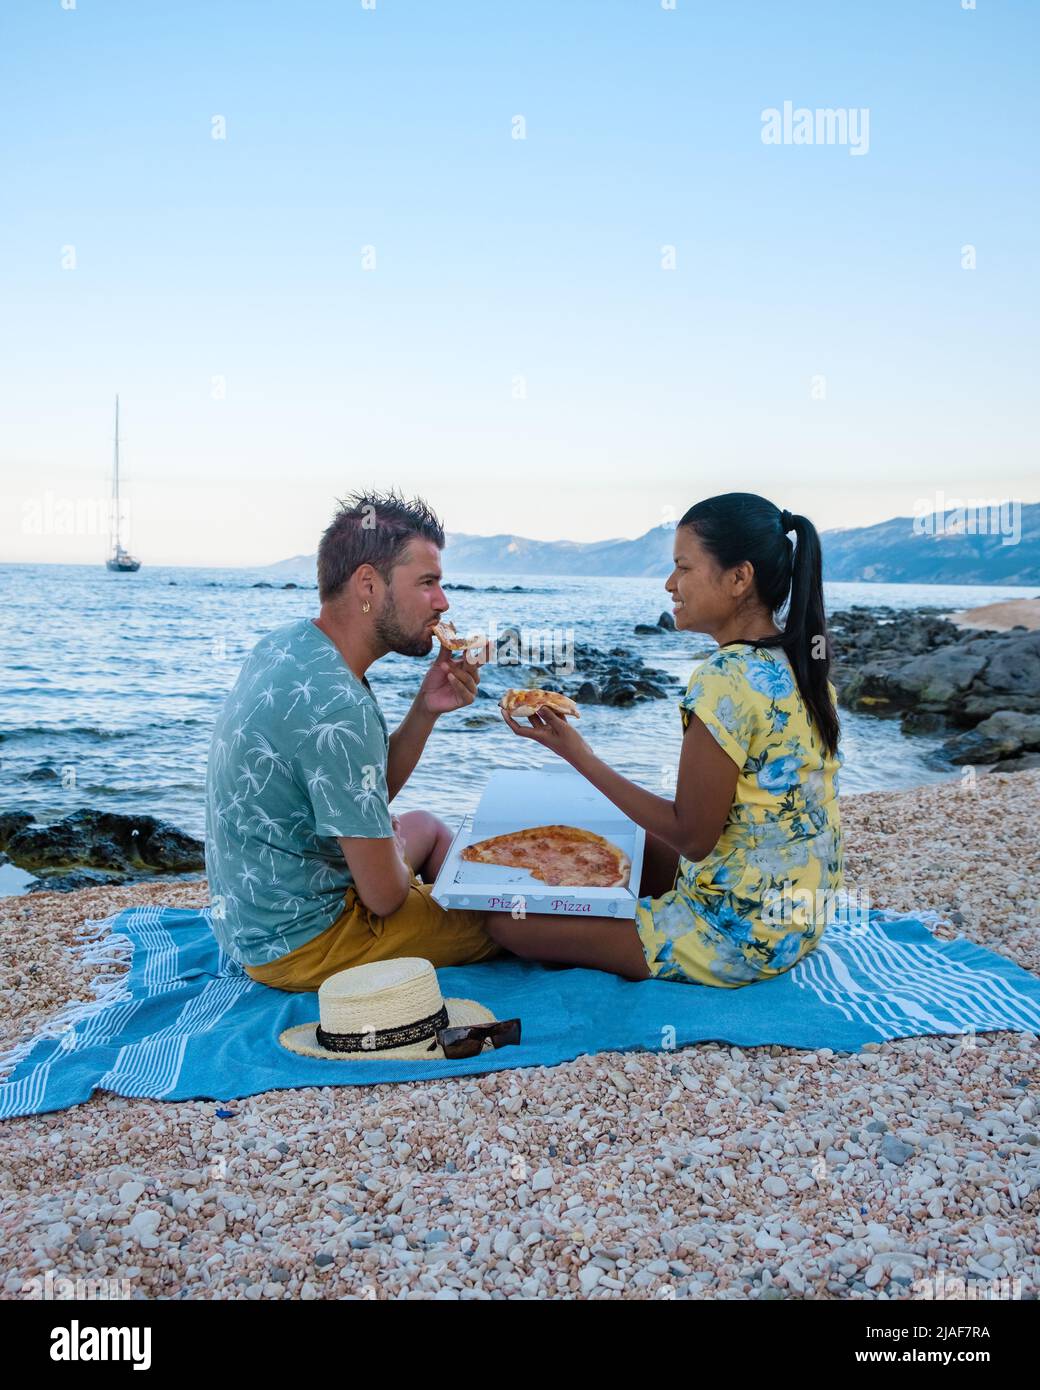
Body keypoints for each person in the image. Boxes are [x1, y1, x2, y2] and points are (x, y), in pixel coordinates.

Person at [484, 492, 844, 986]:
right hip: (799, 919)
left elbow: (694, 839)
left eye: (683, 568)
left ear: (739, 578)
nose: (670, 584)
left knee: (509, 923)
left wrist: (578, 756)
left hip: (740, 936)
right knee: (617, 847)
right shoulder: (802, 666)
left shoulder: (724, 678)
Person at [204, 489, 503, 991]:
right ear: (368, 584)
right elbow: (384, 898)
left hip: (248, 924)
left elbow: (356, 791)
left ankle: (457, 887)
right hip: (307, 944)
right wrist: (393, 857)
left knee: (425, 825)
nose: (443, 601)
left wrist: (425, 709)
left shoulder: (288, 646)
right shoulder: (341, 706)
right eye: (427, 582)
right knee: (504, 913)